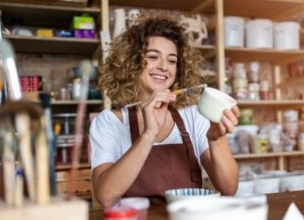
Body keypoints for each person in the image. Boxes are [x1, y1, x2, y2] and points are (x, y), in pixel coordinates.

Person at [90, 15, 239, 207]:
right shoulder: (109, 122)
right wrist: (148, 135)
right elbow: (105, 196)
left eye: (172, 60)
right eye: (153, 57)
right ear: (132, 63)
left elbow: (229, 188)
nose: (163, 67)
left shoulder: (193, 116)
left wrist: (216, 139)